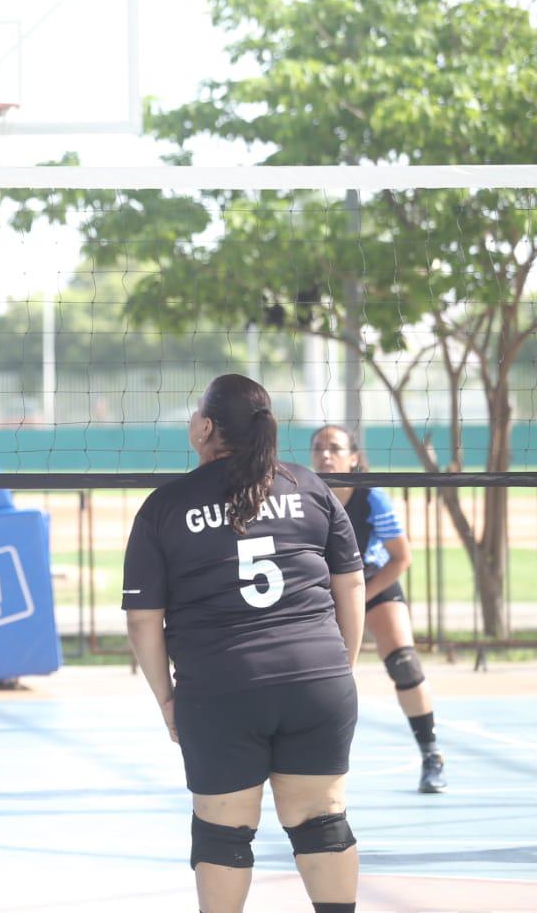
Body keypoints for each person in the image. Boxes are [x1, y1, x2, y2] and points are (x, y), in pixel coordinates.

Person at [124, 375, 366, 913]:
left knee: (223, 832)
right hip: (317, 679)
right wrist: (340, 668)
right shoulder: (310, 487)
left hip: (220, 688)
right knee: (321, 819)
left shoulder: (165, 507)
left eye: (194, 414)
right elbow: (350, 584)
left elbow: (144, 621)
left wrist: (168, 698)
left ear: (207, 427)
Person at [311, 424, 446, 793]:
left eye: (335, 447)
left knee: (404, 662)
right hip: (325, 592)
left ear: (353, 458)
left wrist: (361, 596)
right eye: (319, 447)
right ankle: (305, 760)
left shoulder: (371, 497)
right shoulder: (304, 494)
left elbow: (401, 559)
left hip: (373, 586)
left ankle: (432, 755)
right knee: (308, 673)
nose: (326, 454)